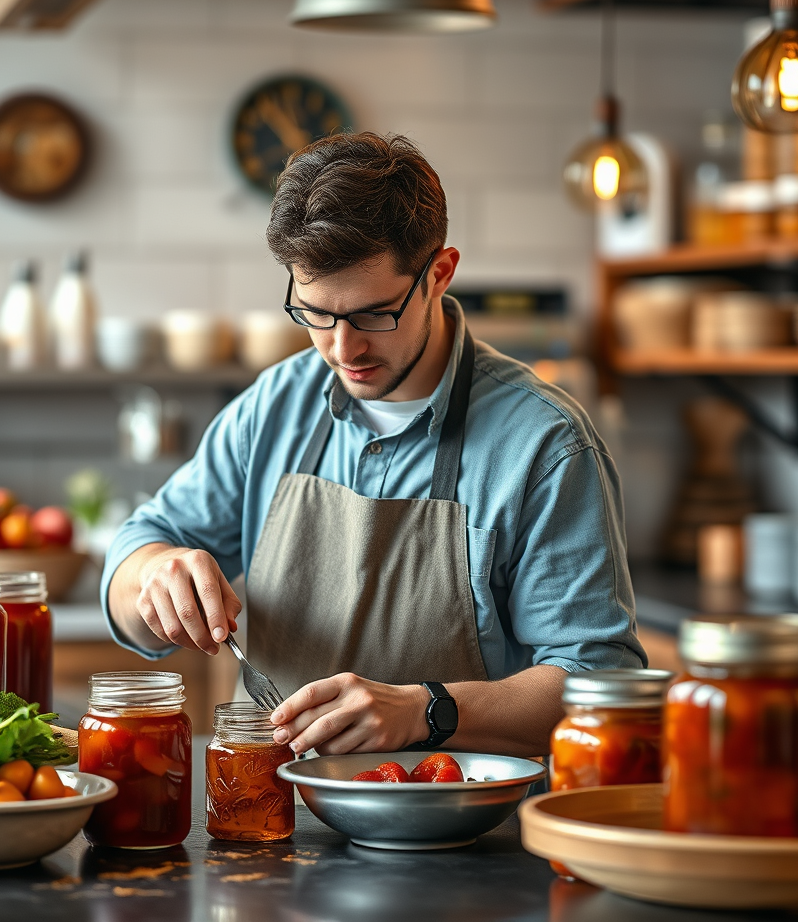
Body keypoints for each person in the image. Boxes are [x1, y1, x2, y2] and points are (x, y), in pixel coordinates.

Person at [103, 132, 645, 758]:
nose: (343, 349)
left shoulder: (545, 446)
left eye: (373, 314)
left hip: (459, 813)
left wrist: (427, 710)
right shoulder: (272, 407)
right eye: (314, 313)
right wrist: (155, 575)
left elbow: (601, 683)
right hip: (269, 811)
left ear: (439, 273)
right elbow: (137, 552)